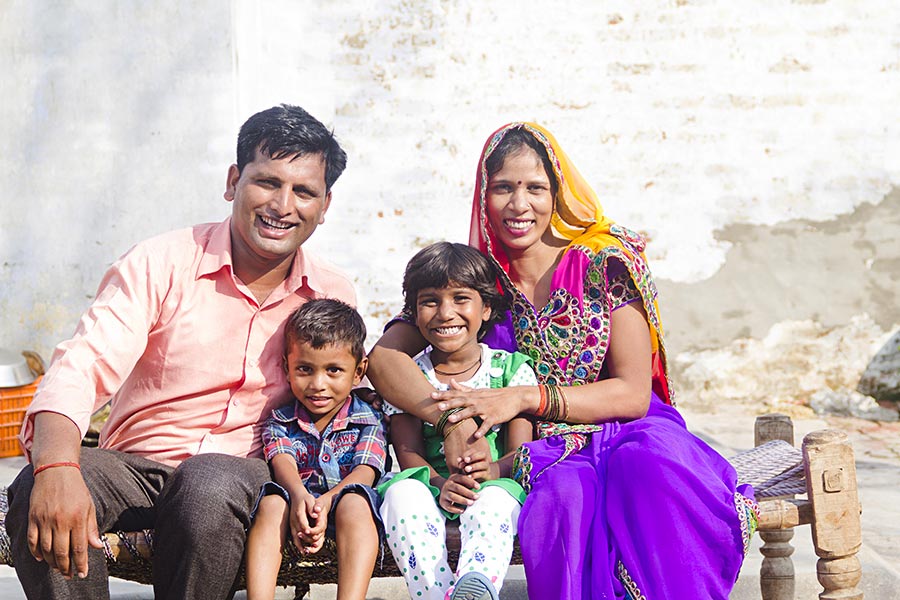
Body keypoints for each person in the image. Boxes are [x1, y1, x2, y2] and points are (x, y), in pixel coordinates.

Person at [367, 123, 758, 599]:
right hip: (540, 451)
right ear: (484, 196)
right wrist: (450, 419)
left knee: (650, 469)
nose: (519, 204)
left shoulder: (605, 263)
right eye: (503, 188)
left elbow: (633, 394)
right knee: (562, 499)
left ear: (558, 195)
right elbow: (383, 361)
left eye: (535, 188)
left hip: (625, 429)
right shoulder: (474, 281)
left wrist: (523, 397)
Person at [7, 104, 356, 600]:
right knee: (37, 485)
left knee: (207, 482)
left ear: (324, 206)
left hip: (243, 479)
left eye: (304, 192)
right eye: (267, 182)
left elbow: (346, 404)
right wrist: (58, 467)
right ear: (233, 182)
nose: (283, 205)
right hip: (135, 468)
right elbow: (81, 365)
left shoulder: (330, 293)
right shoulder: (161, 262)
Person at [377, 242, 535, 600]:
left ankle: (476, 583)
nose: (445, 313)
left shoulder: (511, 371)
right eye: (430, 301)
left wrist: (491, 471)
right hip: (431, 488)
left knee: (495, 501)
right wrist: (440, 484)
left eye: (461, 298)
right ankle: (435, 594)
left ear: (487, 307)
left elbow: (520, 452)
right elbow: (407, 452)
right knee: (401, 493)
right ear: (413, 313)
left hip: (492, 485)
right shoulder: (409, 377)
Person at [245, 299, 386, 600]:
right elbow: (281, 460)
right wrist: (298, 495)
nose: (318, 384)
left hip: (347, 508)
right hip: (295, 502)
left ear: (358, 371)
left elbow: (366, 471)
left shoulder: (369, 419)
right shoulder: (280, 420)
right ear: (287, 368)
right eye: (305, 369)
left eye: (333, 370)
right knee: (271, 504)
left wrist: (328, 500)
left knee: (355, 503)